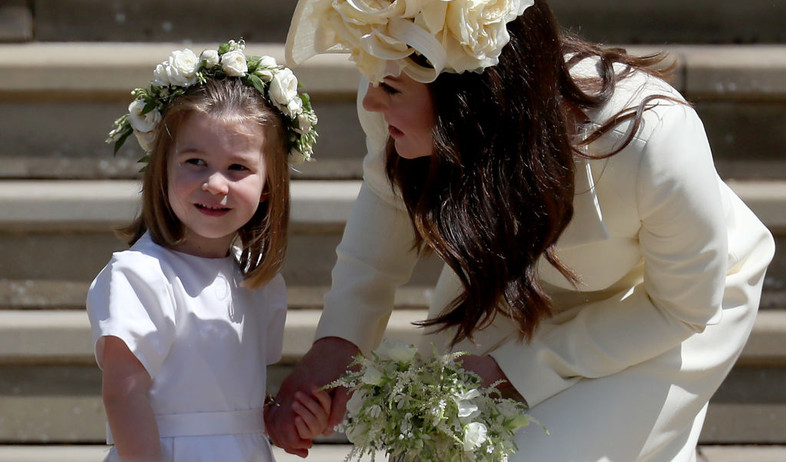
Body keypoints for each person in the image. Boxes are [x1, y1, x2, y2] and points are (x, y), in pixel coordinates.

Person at [267, 1, 776, 461]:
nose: (372, 103)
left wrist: (516, 368)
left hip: (666, 307)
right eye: (372, 80)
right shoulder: (394, 79)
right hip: (521, 280)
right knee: (438, 449)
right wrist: (337, 345)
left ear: (472, 99)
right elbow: (384, 208)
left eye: (391, 90)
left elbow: (681, 308)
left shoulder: (652, 140)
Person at [86, 40, 327, 462]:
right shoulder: (141, 276)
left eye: (238, 168)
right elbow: (124, 394)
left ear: (268, 185)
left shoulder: (256, 280)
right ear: (162, 168)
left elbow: (230, 397)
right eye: (195, 161)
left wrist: (275, 418)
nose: (215, 184)